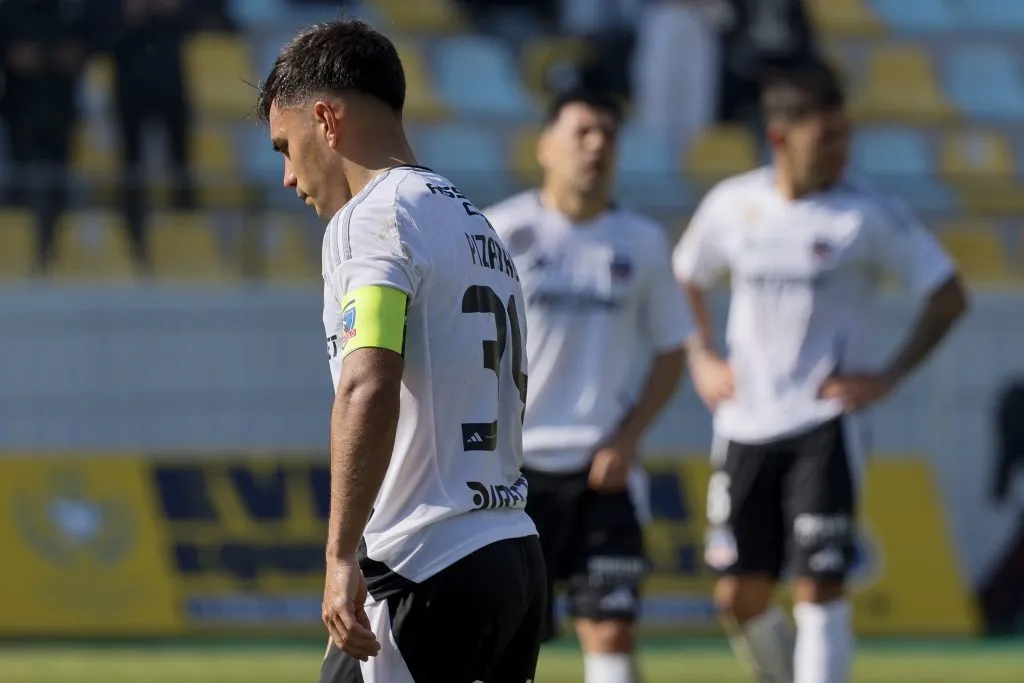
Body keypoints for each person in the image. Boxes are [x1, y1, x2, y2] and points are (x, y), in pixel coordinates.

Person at [256, 20, 545, 683]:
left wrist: (338, 557)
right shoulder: (475, 222)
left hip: (426, 563)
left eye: (285, 146)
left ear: (326, 119)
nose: (287, 177)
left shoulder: (372, 217)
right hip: (511, 554)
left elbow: (369, 383)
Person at [672, 64, 968, 683]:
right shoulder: (733, 205)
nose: (842, 150)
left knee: (820, 588)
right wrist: (702, 356)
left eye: (844, 134)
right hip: (744, 423)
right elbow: (687, 276)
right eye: (825, 137)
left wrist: (888, 376)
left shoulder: (866, 216)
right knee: (740, 599)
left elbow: (947, 295)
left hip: (824, 425)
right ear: (780, 139)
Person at [484, 89, 693, 683]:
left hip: (604, 469)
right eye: (582, 132)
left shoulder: (643, 241)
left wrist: (627, 440)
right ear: (545, 146)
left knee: (611, 628)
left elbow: (673, 347)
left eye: (608, 133)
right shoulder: (499, 233)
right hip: (511, 476)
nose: (597, 145)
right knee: (507, 638)